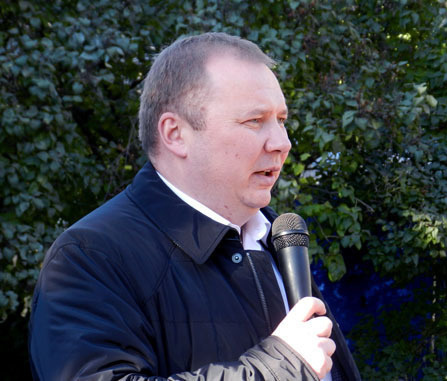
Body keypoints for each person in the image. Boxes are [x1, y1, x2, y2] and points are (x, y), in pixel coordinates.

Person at [29, 32, 361, 381]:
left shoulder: (279, 239)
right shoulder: (90, 256)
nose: (282, 143)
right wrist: (273, 370)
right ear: (175, 134)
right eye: (254, 121)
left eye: (281, 120)